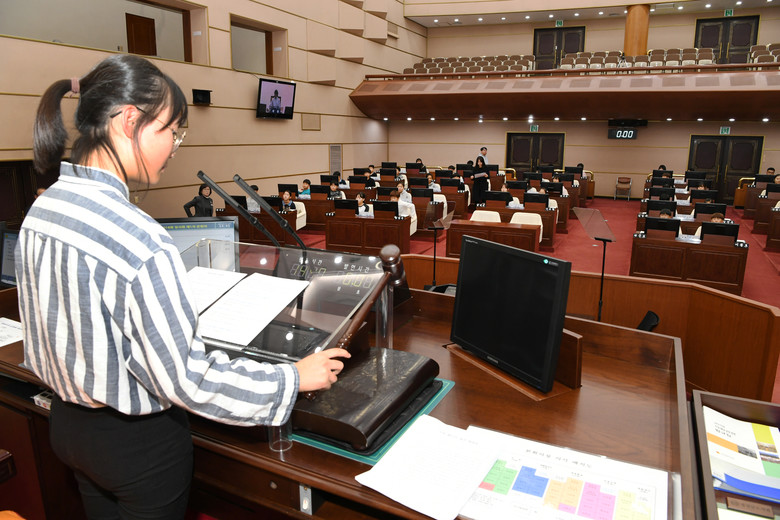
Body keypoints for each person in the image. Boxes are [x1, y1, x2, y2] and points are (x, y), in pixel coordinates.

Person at [19, 54, 349, 519]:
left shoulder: (45, 206)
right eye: (171, 131)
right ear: (129, 120)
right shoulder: (138, 237)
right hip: (136, 445)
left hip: (69, 427)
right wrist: (292, 378)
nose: (174, 147)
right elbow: (186, 379)